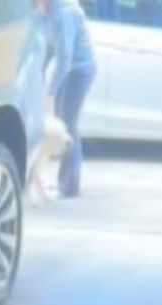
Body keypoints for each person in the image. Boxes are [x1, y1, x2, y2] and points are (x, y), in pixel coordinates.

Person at [36, 0, 97, 198]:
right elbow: (50, 48)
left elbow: (65, 58)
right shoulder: (49, 13)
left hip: (79, 71)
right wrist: (39, 74)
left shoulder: (63, 15)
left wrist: (51, 89)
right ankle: (65, 182)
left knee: (68, 125)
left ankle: (69, 186)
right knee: (64, 121)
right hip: (69, 71)